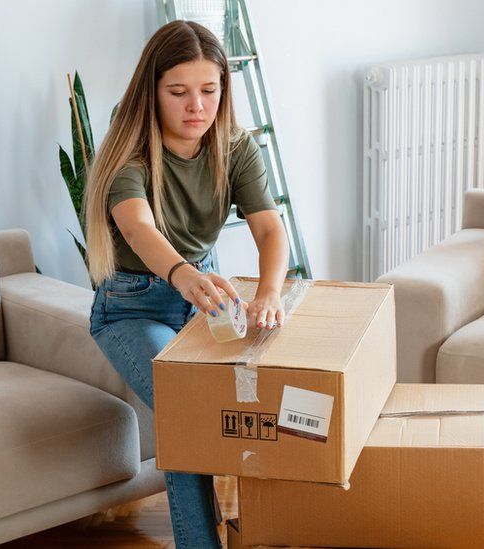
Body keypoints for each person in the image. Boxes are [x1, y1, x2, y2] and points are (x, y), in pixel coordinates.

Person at [82, 20, 290, 548]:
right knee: (187, 413)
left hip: (200, 301)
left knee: (265, 401)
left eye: (209, 90)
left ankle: (273, 531)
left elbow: (269, 228)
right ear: (151, 92)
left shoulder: (235, 146)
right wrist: (183, 275)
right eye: (178, 92)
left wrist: (269, 292)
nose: (196, 106)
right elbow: (137, 226)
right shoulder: (127, 149)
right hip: (131, 308)